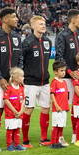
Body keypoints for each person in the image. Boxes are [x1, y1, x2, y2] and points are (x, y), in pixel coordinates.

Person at [0, 7, 22, 151]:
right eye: (14, 17)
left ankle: (14, 142)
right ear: (5, 19)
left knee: (16, 109)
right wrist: (0, 78)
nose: (17, 19)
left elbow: (20, 58)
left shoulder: (17, 37)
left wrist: (17, 75)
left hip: (14, 81)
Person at [55, 9, 79, 141]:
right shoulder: (62, 36)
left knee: (78, 107)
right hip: (68, 78)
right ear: (73, 20)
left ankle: (76, 135)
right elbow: (59, 56)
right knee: (64, 107)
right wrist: (69, 71)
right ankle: (60, 136)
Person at [20, 15, 52, 148]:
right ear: (33, 26)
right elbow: (20, 60)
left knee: (46, 108)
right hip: (30, 83)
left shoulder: (48, 42)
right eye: (40, 24)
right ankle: (25, 140)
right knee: (28, 109)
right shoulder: (27, 42)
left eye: (44, 23)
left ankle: (44, 138)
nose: (43, 26)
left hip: (45, 82)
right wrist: (21, 76)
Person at [47, 62, 70, 149]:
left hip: (63, 108)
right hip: (57, 109)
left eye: (64, 71)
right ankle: (53, 143)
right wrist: (56, 105)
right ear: (55, 72)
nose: (63, 72)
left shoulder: (64, 82)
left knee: (61, 126)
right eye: (61, 71)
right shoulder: (54, 82)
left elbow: (65, 96)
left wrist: (67, 107)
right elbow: (52, 94)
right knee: (56, 126)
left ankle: (58, 142)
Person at [3, 67, 26, 150]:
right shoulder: (9, 88)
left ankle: (17, 144)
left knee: (17, 129)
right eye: (22, 76)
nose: (23, 78)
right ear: (16, 78)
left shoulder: (21, 88)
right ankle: (9, 145)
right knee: (10, 129)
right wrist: (15, 111)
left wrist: (20, 111)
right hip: (10, 114)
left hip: (19, 114)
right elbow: (6, 100)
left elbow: (23, 100)